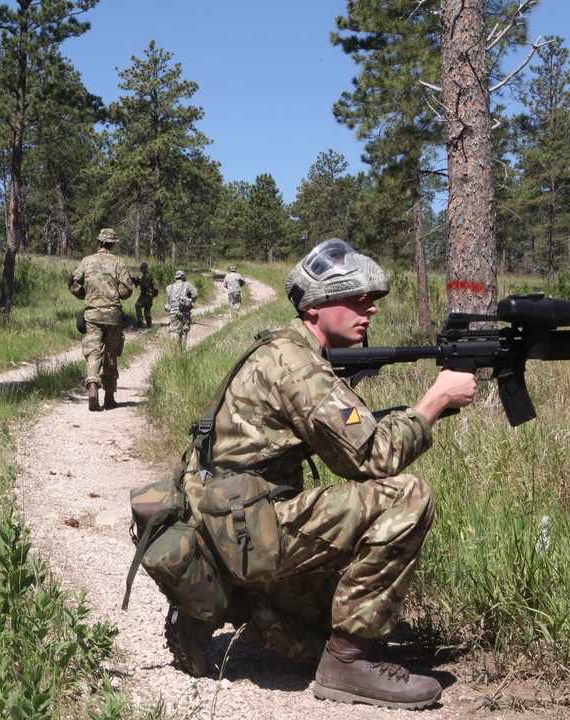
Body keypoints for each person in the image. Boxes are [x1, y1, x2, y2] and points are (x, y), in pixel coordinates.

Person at [161, 239, 477, 710]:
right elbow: (374, 457)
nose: (369, 308)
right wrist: (436, 401)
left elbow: (341, 439)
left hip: (221, 524)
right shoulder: (300, 366)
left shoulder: (281, 349)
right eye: (356, 298)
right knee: (407, 496)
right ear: (316, 307)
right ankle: (345, 666)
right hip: (244, 533)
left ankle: (216, 603)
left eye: (370, 299)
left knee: (314, 632)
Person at [69, 228, 134, 411]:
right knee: (110, 354)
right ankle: (110, 396)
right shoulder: (118, 262)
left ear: (99, 242)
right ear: (113, 243)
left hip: (92, 313)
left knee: (93, 350)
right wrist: (117, 295)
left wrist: (85, 295)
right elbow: (127, 289)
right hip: (113, 314)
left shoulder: (86, 262)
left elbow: (73, 284)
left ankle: (92, 385)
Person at [164, 270, 198, 347]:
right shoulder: (187, 285)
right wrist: (191, 300)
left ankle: (174, 350)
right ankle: (182, 352)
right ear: (182, 276)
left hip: (173, 312)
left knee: (174, 331)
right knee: (184, 331)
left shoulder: (169, 287)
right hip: (184, 311)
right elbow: (195, 294)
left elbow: (168, 300)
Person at [133, 262, 157, 328]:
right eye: (141, 268)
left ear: (146, 268)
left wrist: (138, 283)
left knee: (138, 306)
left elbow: (145, 284)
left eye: (143, 268)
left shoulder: (146, 275)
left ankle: (140, 322)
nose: (142, 269)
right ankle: (149, 323)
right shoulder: (146, 275)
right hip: (149, 295)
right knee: (147, 309)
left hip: (146, 295)